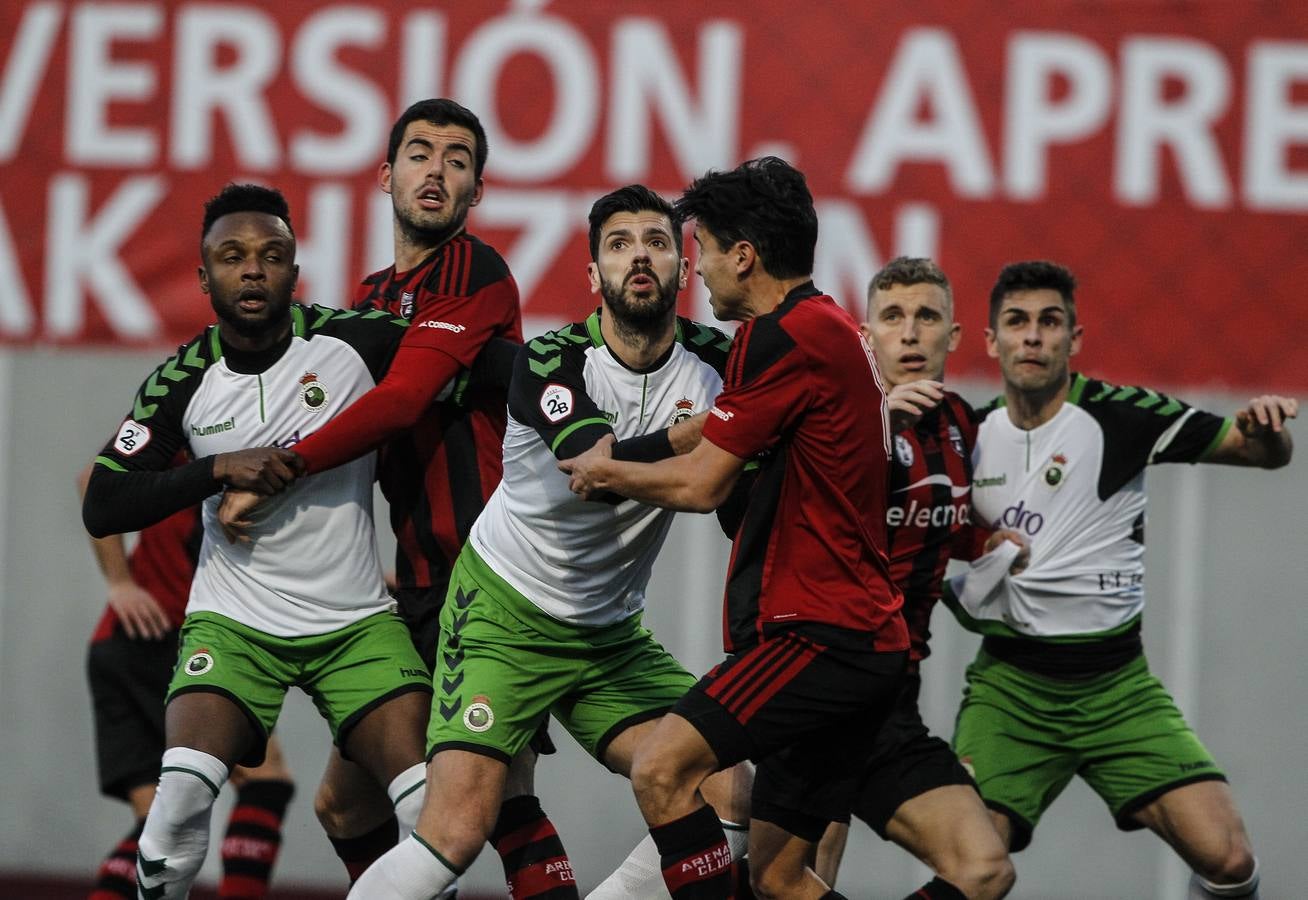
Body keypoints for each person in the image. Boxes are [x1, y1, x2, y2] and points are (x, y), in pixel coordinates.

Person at [347, 184, 751, 900]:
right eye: (619, 244)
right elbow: (595, 470)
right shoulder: (550, 362)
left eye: (656, 242)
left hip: (608, 635)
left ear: (685, 272)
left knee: (728, 791)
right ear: (593, 276)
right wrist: (703, 435)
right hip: (503, 614)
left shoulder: (720, 363)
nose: (639, 258)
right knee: (455, 833)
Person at [218, 98, 571, 895]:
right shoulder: (374, 294)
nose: (436, 169)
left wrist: (274, 470)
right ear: (385, 175)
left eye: (456, 158)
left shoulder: (475, 272)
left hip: (490, 575)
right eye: (419, 152)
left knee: (500, 796)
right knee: (345, 805)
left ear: (478, 189)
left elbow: (402, 402)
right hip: (415, 582)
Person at [562, 158, 912, 900]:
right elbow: (710, 441)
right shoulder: (830, 329)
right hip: (865, 639)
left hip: (818, 634)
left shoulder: (777, 336)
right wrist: (654, 446)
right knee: (783, 878)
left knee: (664, 769)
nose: (698, 272)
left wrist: (604, 471)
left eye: (704, 253)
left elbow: (701, 485)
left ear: (743, 256)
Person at [82, 183, 434, 899]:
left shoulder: (356, 342)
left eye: (272, 255)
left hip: (355, 624)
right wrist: (215, 469)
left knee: (434, 814)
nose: (253, 270)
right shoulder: (183, 380)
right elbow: (104, 500)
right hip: (234, 623)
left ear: (294, 271)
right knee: (176, 807)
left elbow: (464, 370)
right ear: (203, 276)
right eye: (233, 256)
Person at [947, 260, 1296, 900]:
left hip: (1117, 688)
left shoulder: (1123, 415)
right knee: (973, 871)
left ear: (1073, 339)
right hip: (1010, 691)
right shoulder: (963, 436)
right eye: (1017, 323)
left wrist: (1268, 432)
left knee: (1230, 859)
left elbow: (1258, 452)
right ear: (991, 340)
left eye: (1050, 323)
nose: (1033, 337)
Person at [804, 257, 1016, 900]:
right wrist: (878, 425)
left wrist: (991, 542)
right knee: (798, 880)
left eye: (927, 317)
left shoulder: (962, 426)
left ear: (953, 336)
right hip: (820, 688)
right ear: (866, 336)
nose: (911, 333)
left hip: (894, 704)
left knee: (985, 869)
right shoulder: (837, 419)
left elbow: (946, 521)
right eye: (893, 317)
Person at [79, 461, 295, 900]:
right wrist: (119, 583)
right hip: (166, 642)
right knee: (265, 780)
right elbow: (92, 481)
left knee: (152, 825)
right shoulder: (209, 431)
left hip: (115, 645)